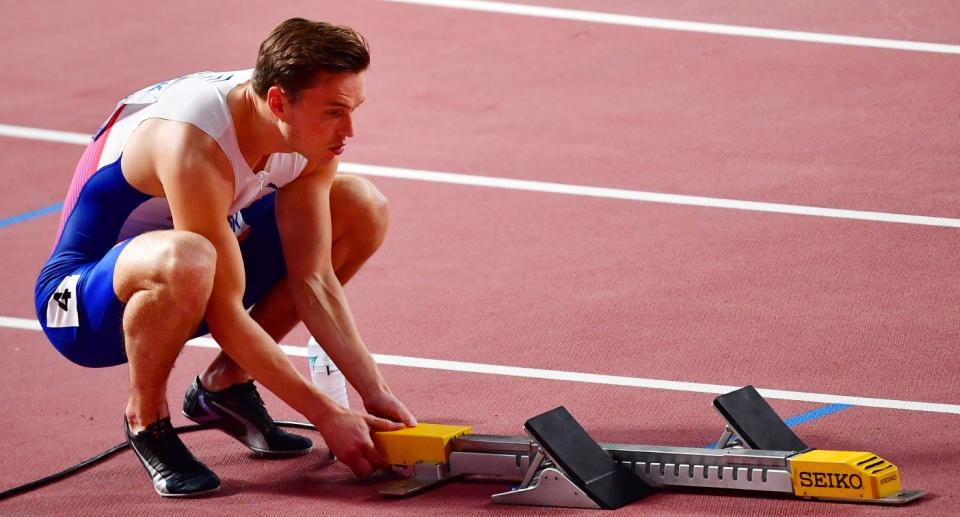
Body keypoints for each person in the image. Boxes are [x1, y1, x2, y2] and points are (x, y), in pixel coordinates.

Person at [33, 17, 416, 497]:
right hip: (84, 306)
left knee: (361, 207)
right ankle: (146, 419)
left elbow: (312, 280)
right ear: (278, 101)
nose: (350, 130)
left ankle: (224, 385)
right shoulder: (192, 142)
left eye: (354, 108)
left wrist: (374, 390)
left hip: (192, 276)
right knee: (188, 257)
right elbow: (224, 310)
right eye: (335, 112)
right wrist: (326, 414)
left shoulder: (303, 127)